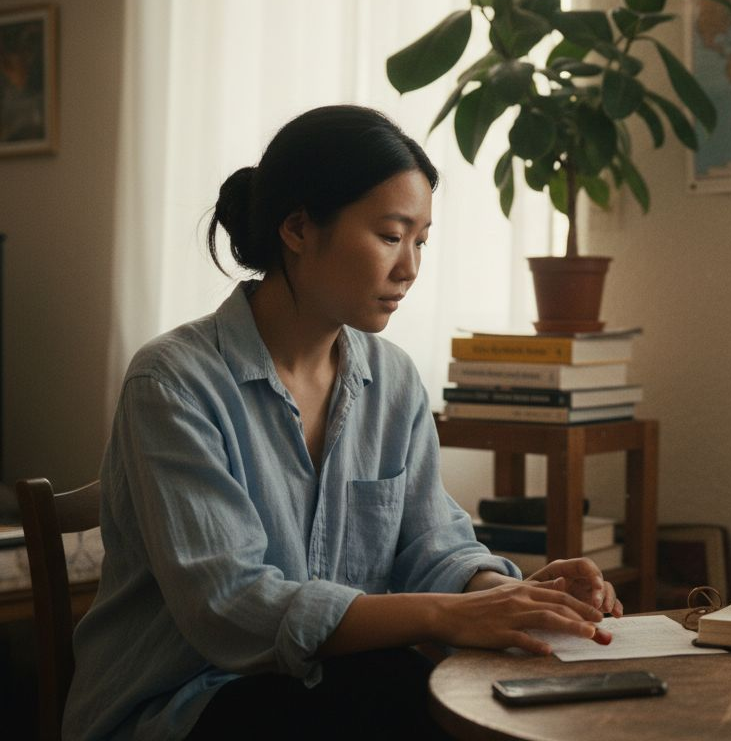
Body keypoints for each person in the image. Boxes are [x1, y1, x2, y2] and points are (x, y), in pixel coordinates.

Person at [64, 105, 621, 740]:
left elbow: (432, 546)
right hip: (181, 703)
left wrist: (509, 597)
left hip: (336, 686)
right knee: (407, 702)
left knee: (468, 700)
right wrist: (448, 615)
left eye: (420, 241)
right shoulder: (172, 382)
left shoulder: (393, 380)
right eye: (390, 236)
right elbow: (230, 607)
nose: (410, 268)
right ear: (298, 228)